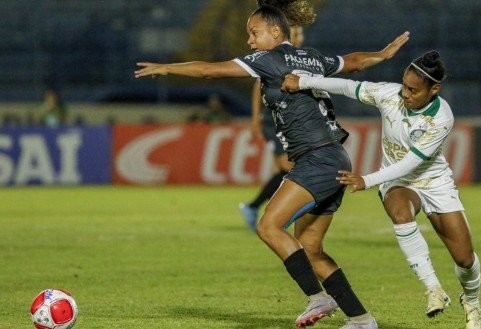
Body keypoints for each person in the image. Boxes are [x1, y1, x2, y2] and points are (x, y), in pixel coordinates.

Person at [135, 5, 410, 329]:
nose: (250, 41)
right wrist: (383, 54)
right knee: (310, 249)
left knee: (268, 226)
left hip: (317, 159)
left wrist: (168, 68)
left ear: (275, 33)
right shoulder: (311, 57)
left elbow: (211, 71)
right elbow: (353, 62)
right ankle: (362, 320)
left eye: (254, 33)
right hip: (334, 157)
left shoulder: (268, 59)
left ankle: (318, 297)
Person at [282, 50, 481, 329]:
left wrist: (368, 179)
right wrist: (304, 82)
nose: (405, 94)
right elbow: (347, 87)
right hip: (398, 183)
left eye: (413, 90)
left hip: (434, 182)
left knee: (465, 258)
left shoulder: (441, 118)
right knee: (400, 213)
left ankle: (472, 302)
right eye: (404, 86)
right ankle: (433, 288)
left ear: (434, 89)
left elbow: (412, 161)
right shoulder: (389, 94)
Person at [239, 0, 312, 231]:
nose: (299, 35)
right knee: (290, 168)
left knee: (286, 169)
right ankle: (274, 213)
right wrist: (255, 119)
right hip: (272, 121)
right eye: (296, 31)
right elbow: (257, 85)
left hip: (286, 119)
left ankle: (256, 207)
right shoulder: (274, 55)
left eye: (300, 31)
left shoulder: (295, 56)